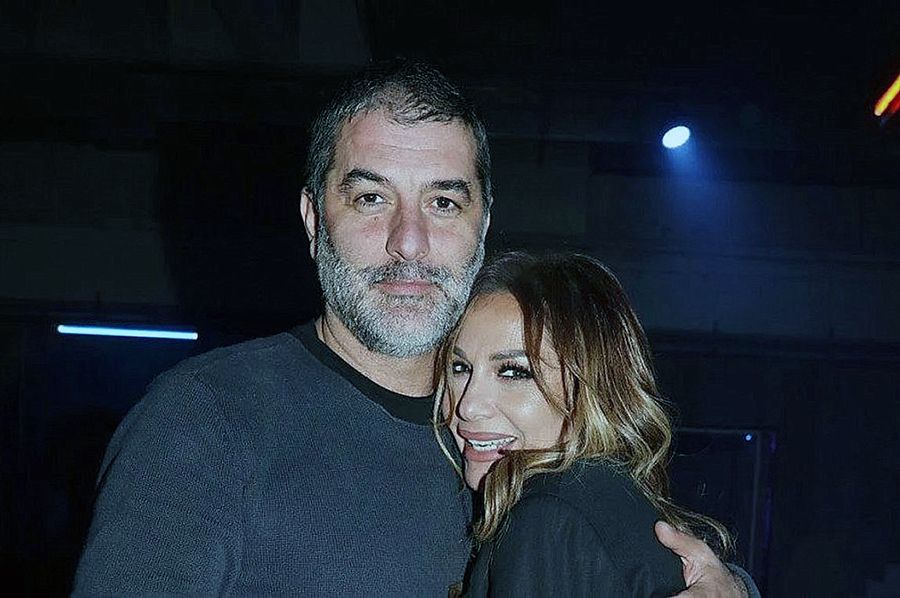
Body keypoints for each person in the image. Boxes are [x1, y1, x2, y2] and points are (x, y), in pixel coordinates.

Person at [72, 59, 755, 596]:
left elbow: (635, 545)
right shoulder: (204, 420)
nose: (409, 242)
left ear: (483, 223)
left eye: (443, 202)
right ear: (314, 219)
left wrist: (726, 587)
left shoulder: (523, 427)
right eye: (372, 198)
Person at [436, 251, 748, 597]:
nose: (468, 406)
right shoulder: (604, 498)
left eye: (514, 372)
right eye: (460, 368)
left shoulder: (548, 517)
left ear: (592, 387)